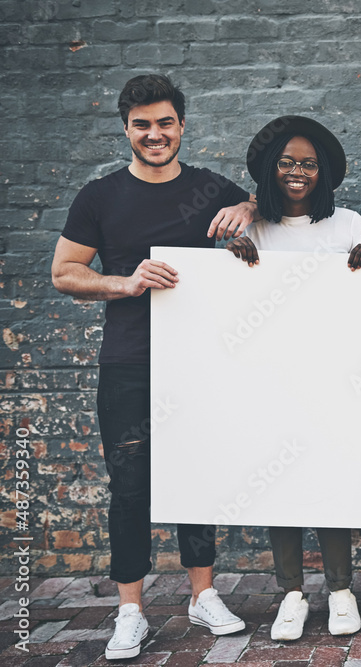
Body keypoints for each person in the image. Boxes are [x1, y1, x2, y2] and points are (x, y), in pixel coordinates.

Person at [51, 74, 256, 660]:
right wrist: (126, 281)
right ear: (127, 130)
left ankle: (202, 595)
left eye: (165, 122)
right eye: (142, 124)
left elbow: (267, 207)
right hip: (128, 363)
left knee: (196, 477)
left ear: (182, 125)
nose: (155, 134)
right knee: (130, 488)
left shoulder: (213, 187)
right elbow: (65, 272)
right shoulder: (100, 196)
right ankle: (131, 611)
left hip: (197, 362)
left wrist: (247, 205)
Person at [226, 115, 361, 640]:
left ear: (324, 173)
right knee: (280, 483)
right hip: (272, 377)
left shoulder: (348, 224)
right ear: (271, 169)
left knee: (330, 477)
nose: (298, 171)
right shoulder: (254, 229)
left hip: (335, 373)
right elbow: (229, 301)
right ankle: (291, 592)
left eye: (309, 164)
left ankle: (340, 589)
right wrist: (232, 260)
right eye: (287, 162)